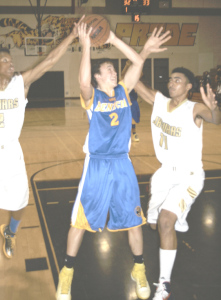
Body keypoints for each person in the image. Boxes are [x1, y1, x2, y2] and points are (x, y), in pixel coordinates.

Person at [56, 23, 171, 300]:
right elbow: (82, 83)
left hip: (122, 164)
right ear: (98, 77)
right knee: (80, 222)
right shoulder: (91, 97)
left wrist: (114, 38)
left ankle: (139, 269)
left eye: (113, 69)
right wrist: (86, 45)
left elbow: (137, 62)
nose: (113, 72)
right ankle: (67, 273)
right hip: (96, 165)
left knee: (134, 220)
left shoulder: (123, 90)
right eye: (108, 69)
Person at [133, 67, 221, 299]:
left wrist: (215, 107)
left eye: (178, 80)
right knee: (154, 224)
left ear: (189, 86)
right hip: (164, 175)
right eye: (170, 79)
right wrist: (135, 60)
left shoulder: (195, 109)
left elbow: (214, 118)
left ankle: (164, 285)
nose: (172, 83)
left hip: (189, 176)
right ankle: (173, 223)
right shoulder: (160, 101)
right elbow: (133, 83)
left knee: (164, 221)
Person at [0, 16, 84, 259]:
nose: (10, 63)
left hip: (12, 153)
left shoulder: (20, 83)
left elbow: (49, 61)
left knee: (20, 203)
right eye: (4, 60)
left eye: (10, 59)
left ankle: (11, 232)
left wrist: (71, 36)